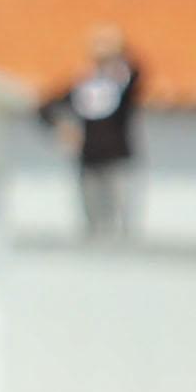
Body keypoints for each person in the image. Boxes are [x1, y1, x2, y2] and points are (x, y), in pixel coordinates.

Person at [42, 24, 146, 241]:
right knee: (92, 224)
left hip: (117, 160)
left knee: (121, 222)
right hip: (88, 160)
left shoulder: (122, 83)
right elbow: (46, 107)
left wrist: (120, 50)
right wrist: (63, 128)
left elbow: (138, 73)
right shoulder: (83, 85)